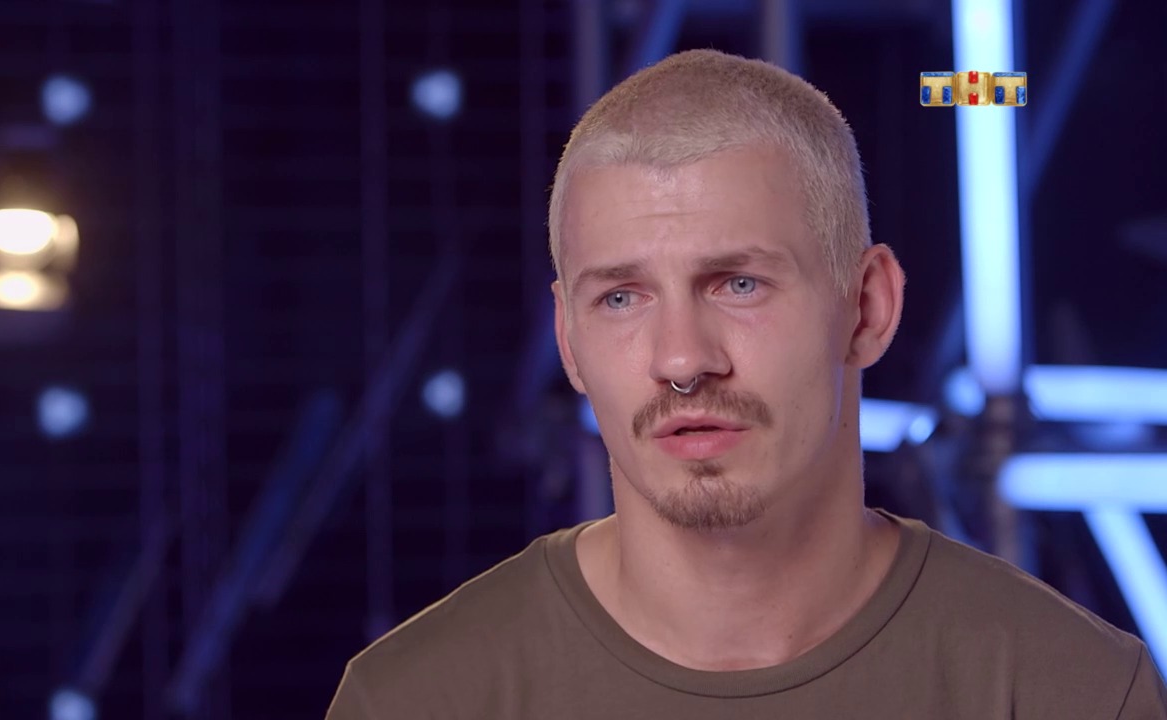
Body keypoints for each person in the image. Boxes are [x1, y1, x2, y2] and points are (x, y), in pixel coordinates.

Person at [325, 49, 1167, 718]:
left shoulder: (1072, 690)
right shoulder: (414, 701)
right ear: (568, 341)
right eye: (621, 297)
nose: (682, 360)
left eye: (738, 284)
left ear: (868, 307)